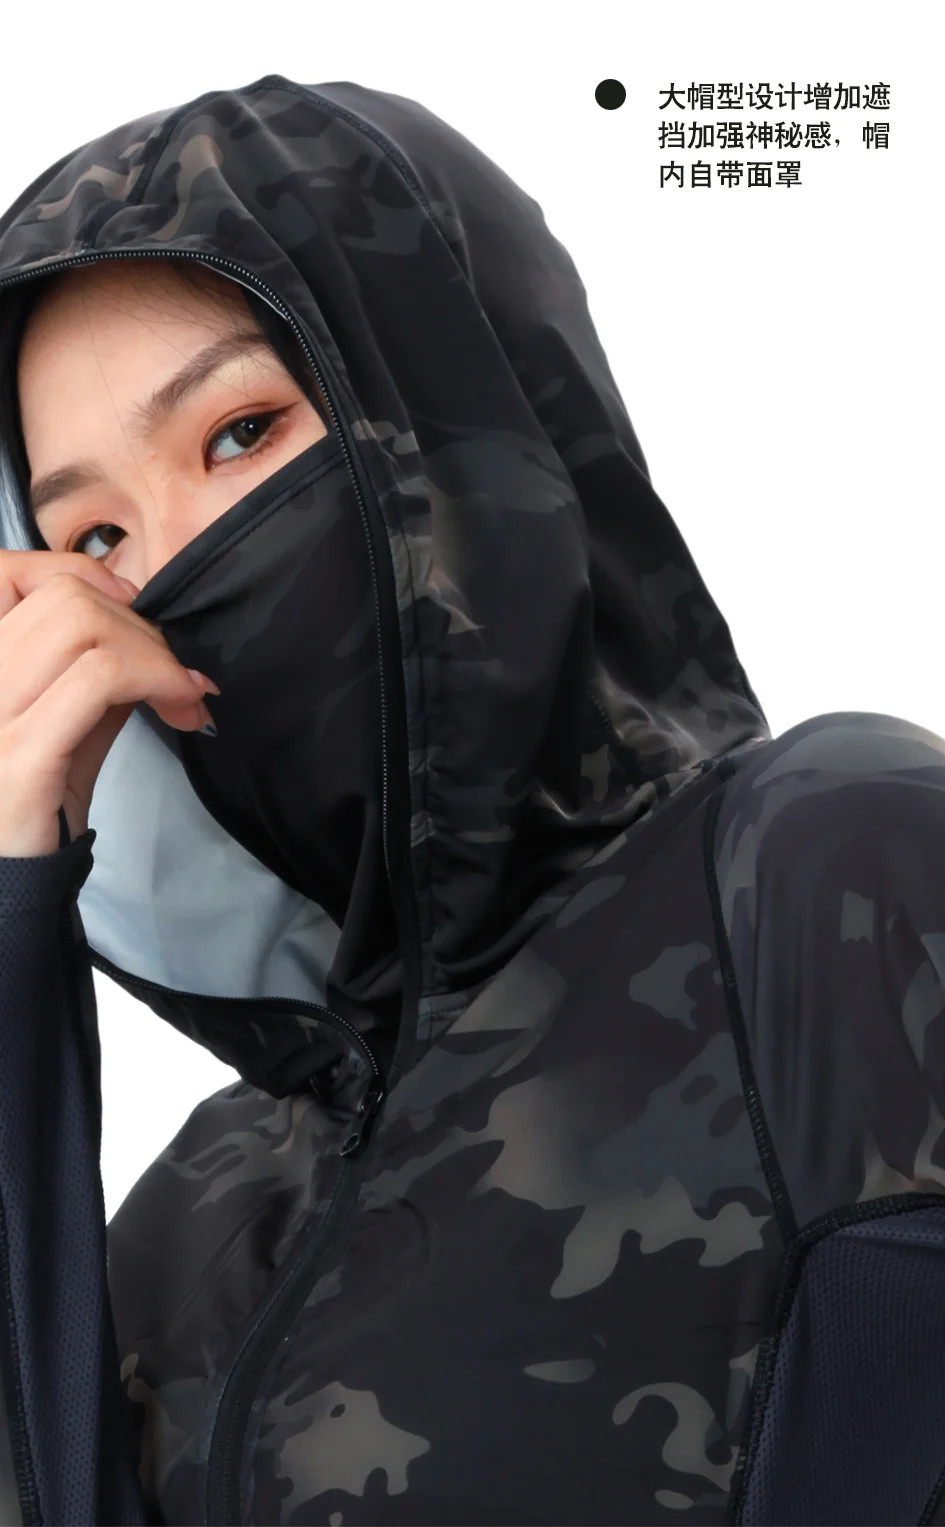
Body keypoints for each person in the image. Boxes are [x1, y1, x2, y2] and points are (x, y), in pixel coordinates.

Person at [0, 72, 942, 1527]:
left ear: (450, 402)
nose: (161, 577)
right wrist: (14, 932)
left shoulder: (826, 874)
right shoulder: (189, 1212)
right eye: (95, 538)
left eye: (239, 435)